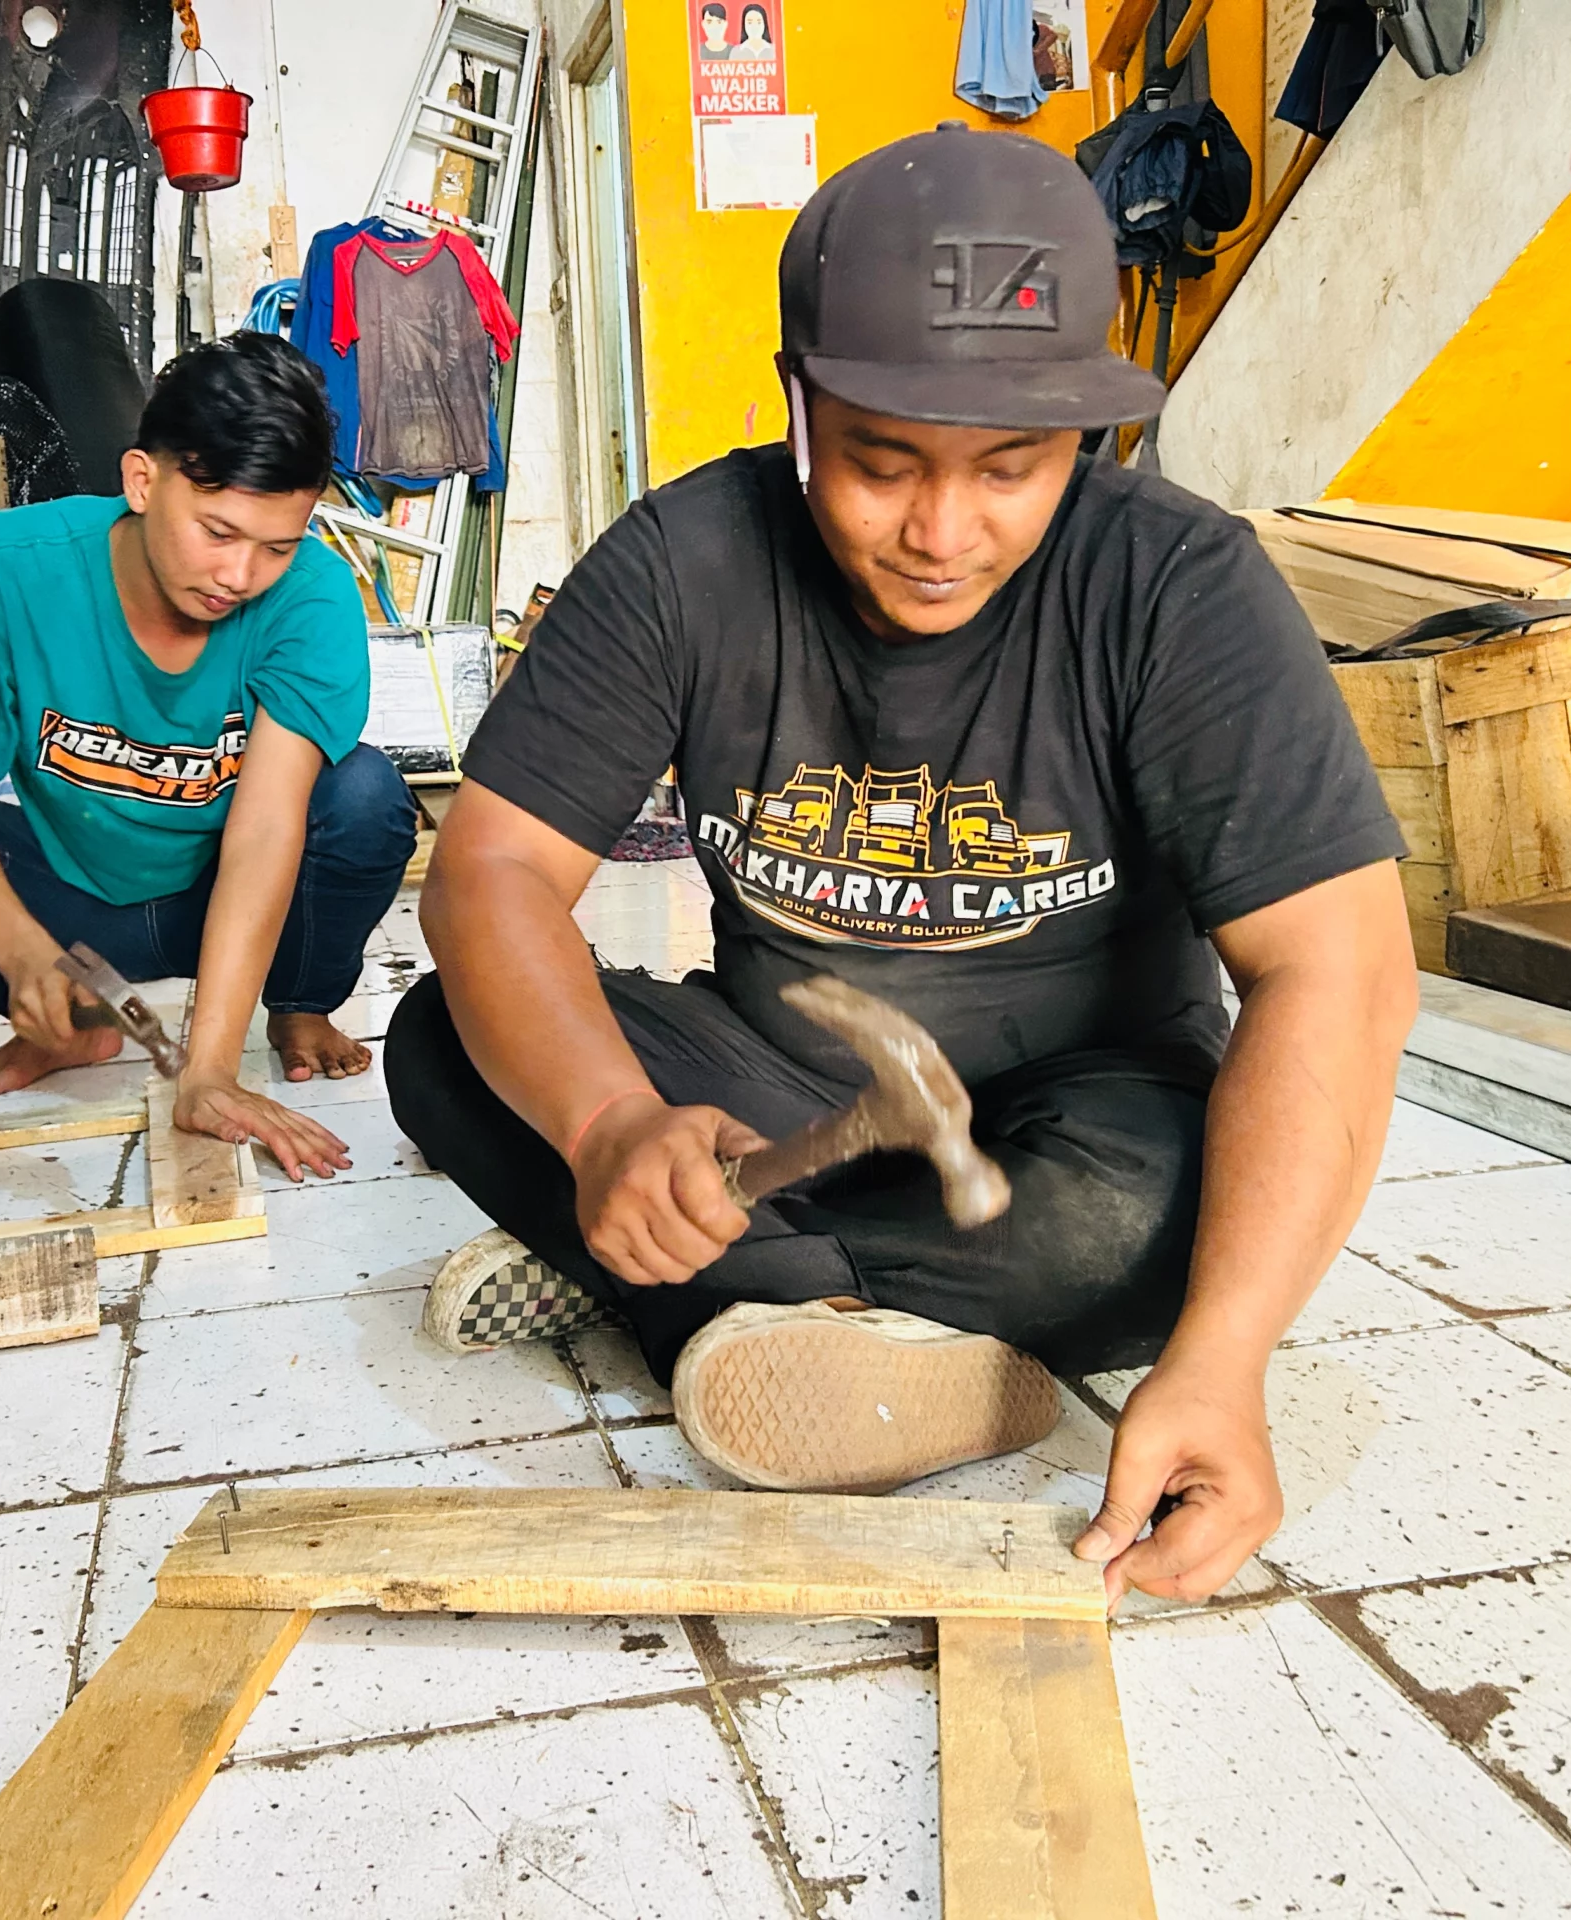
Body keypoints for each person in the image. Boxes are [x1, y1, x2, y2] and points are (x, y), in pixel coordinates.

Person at [387, 124, 1417, 1605]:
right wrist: (611, 1119)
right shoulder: (688, 561)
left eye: (1012, 470)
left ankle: (682, 1291)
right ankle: (868, 1325)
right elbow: (487, 873)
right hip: (783, 1081)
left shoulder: (1179, 590)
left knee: (1152, 1217)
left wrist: (1223, 1361)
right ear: (799, 402)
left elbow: (1340, 973)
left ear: (1087, 433)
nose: (942, 533)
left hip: (1082, 1114)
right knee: (443, 1048)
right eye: (879, 465)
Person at [0, 333, 418, 1181]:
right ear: (142, 481)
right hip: (71, 905)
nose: (241, 574)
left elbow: (268, 829)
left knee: (365, 794)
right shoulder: (5, 566)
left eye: (276, 545)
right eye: (219, 531)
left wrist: (207, 1071)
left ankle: (296, 1005)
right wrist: (22, 954)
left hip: (216, 895)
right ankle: (72, 1022)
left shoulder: (312, 595)